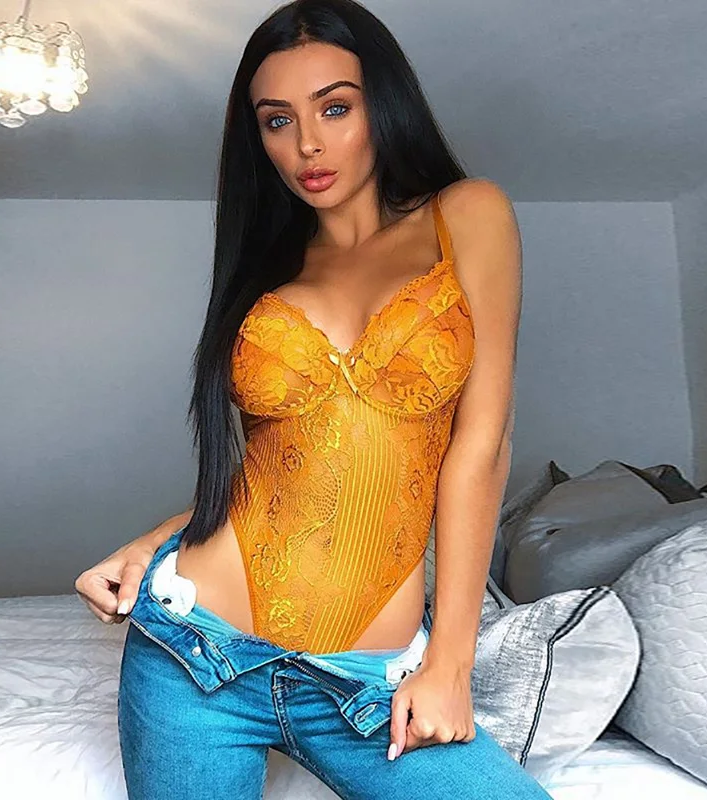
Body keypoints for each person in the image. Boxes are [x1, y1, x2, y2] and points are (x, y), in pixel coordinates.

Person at [75, 1, 550, 797]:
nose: (307, 145)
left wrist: (449, 664)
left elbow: (483, 444)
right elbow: (279, 462)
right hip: (192, 653)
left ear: (383, 105)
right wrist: (152, 542)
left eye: (335, 108)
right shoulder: (268, 267)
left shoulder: (466, 215)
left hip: (365, 685)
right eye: (277, 120)